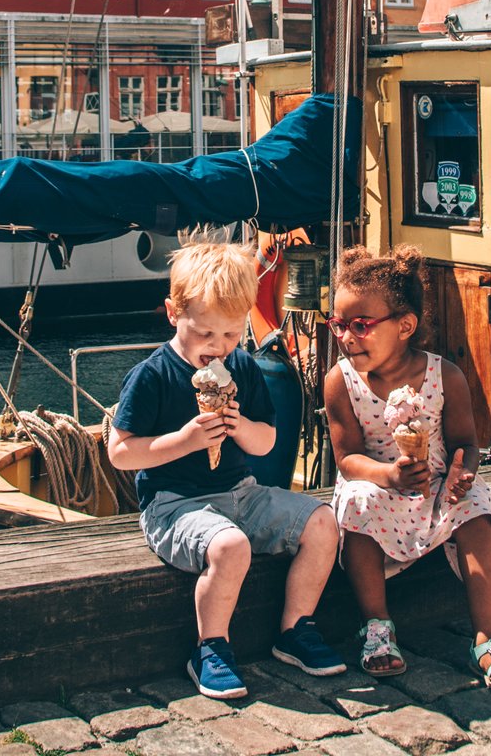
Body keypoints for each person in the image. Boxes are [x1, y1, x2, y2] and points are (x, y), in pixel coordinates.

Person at [107, 236, 345, 701]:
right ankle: (210, 648)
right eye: (206, 334)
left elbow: (267, 441)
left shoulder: (243, 367)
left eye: (231, 334)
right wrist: (186, 440)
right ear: (174, 314)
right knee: (231, 547)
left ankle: (295, 630)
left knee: (323, 521)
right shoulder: (153, 374)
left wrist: (238, 427)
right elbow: (120, 452)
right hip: (173, 502)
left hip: (242, 492)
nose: (218, 348)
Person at [323, 244, 491, 699]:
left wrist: (464, 472)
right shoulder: (341, 380)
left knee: (476, 512)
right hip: (378, 483)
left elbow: (466, 445)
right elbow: (346, 459)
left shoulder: (446, 376)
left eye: (360, 325)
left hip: (436, 487)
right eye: (338, 325)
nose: (346, 336)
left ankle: (489, 641)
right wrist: (389, 476)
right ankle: (376, 625)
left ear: (405, 326)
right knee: (356, 504)